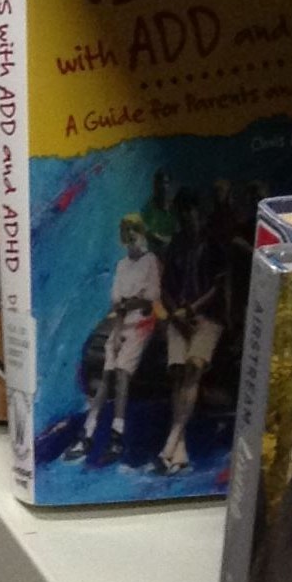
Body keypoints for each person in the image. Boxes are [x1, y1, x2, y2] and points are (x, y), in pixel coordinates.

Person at [68, 213, 162, 464]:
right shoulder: (122, 265)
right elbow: (118, 301)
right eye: (126, 230)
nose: (131, 235)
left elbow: (149, 298)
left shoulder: (150, 261)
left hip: (141, 325)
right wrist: (118, 329)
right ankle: (87, 432)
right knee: (107, 375)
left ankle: (116, 434)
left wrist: (129, 304)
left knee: (121, 374)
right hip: (121, 326)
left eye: (134, 230)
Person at [156, 189, 226, 474]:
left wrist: (192, 311)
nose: (188, 219)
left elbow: (216, 288)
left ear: (199, 212)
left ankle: (173, 437)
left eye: (191, 212)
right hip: (178, 318)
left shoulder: (212, 245)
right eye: (182, 214)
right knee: (177, 373)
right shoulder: (175, 246)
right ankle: (180, 448)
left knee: (194, 368)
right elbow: (165, 287)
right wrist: (176, 313)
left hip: (206, 318)